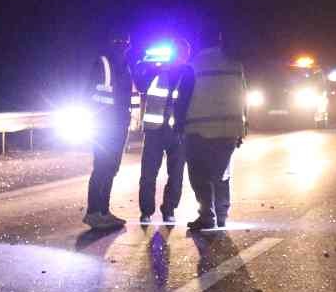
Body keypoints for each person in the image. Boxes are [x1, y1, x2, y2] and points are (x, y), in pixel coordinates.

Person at [173, 31, 247, 231]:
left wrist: (178, 125)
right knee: (221, 173)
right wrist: (241, 127)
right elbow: (243, 97)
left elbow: (183, 99)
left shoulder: (194, 65)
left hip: (199, 129)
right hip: (229, 130)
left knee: (200, 175)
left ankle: (207, 215)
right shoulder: (236, 65)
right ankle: (222, 215)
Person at [136, 38, 192, 225]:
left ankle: (169, 210)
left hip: (178, 131)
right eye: (179, 53)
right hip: (155, 131)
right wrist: (144, 64)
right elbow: (140, 84)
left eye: (183, 54)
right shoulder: (156, 71)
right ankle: (146, 212)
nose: (181, 57)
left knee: (176, 175)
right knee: (148, 174)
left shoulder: (190, 74)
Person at [83, 31, 135, 230]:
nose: (124, 46)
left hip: (118, 124)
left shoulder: (124, 65)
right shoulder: (103, 62)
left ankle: (103, 211)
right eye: (121, 42)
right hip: (105, 125)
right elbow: (92, 94)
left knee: (111, 168)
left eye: (125, 43)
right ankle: (94, 212)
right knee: (102, 168)